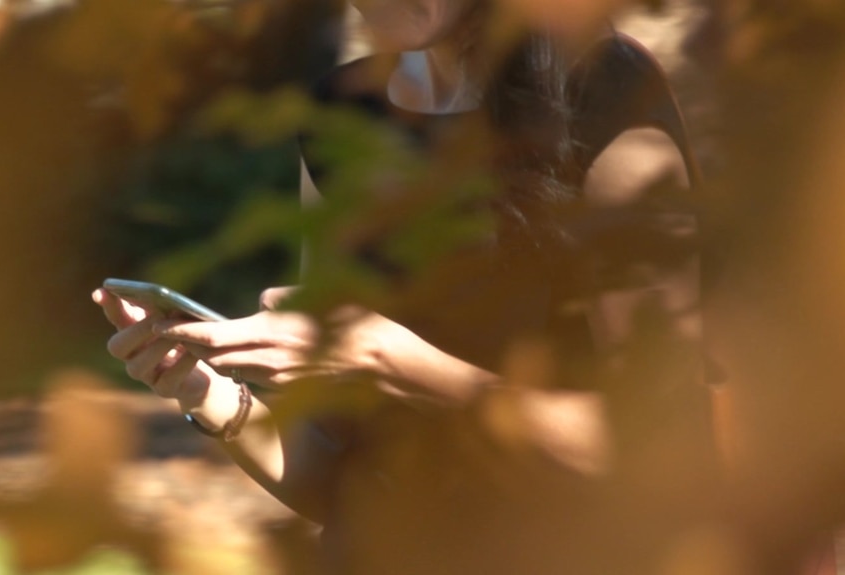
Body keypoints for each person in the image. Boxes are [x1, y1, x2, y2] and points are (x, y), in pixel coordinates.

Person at [94, 1, 714, 573]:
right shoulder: (341, 114)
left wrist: (391, 360)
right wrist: (209, 395)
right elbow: (337, 479)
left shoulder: (606, 97)